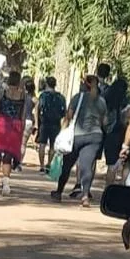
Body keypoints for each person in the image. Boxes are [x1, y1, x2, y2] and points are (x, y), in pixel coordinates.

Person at [51, 75, 107, 207]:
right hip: (95, 136)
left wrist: (62, 132)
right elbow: (105, 122)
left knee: (67, 164)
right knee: (87, 166)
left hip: (77, 135)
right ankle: (85, 195)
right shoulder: (101, 101)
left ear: (84, 84)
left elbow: (68, 117)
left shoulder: (78, 97)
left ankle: (59, 192)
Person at [0, 71, 26, 195]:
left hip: (0, 125)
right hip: (14, 126)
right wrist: (22, 131)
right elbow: (23, 116)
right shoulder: (23, 96)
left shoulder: (2, 93)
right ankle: (6, 184)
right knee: (8, 156)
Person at [102, 78, 130, 184]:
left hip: (111, 135)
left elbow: (104, 120)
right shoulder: (127, 100)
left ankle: (108, 189)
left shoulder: (107, 99)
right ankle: (123, 188)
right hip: (125, 135)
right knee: (126, 164)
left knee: (111, 166)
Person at [36, 76, 66, 173]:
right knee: (52, 146)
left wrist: (37, 123)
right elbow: (63, 113)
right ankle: (49, 164)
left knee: (42, 144)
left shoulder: (43, 96)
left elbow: (38, 109)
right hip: (56, 124)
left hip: (44, 123)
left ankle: (41, 166)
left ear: (47, 84)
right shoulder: (61, 97)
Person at [21, 77, 38, 165]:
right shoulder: (35, 99)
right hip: (29, 121)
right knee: (23, 144)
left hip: (20, 120)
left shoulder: (21, 96)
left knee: (18, 142)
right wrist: (36, 125)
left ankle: (14, 160)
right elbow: (36, 113)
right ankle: (19, 162)